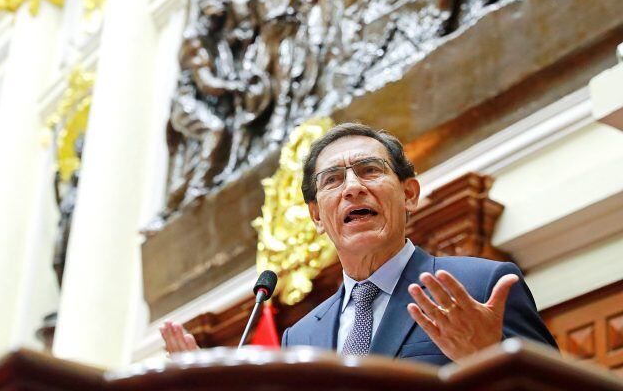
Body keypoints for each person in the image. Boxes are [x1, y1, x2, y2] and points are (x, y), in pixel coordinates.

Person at [160, 123, 556, 365]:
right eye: (332, 179)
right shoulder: (299, 337)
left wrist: (490, 358)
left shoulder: (481, 286)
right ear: (317, 216)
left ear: (410, 194)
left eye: (370, 170)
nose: (352, 187)